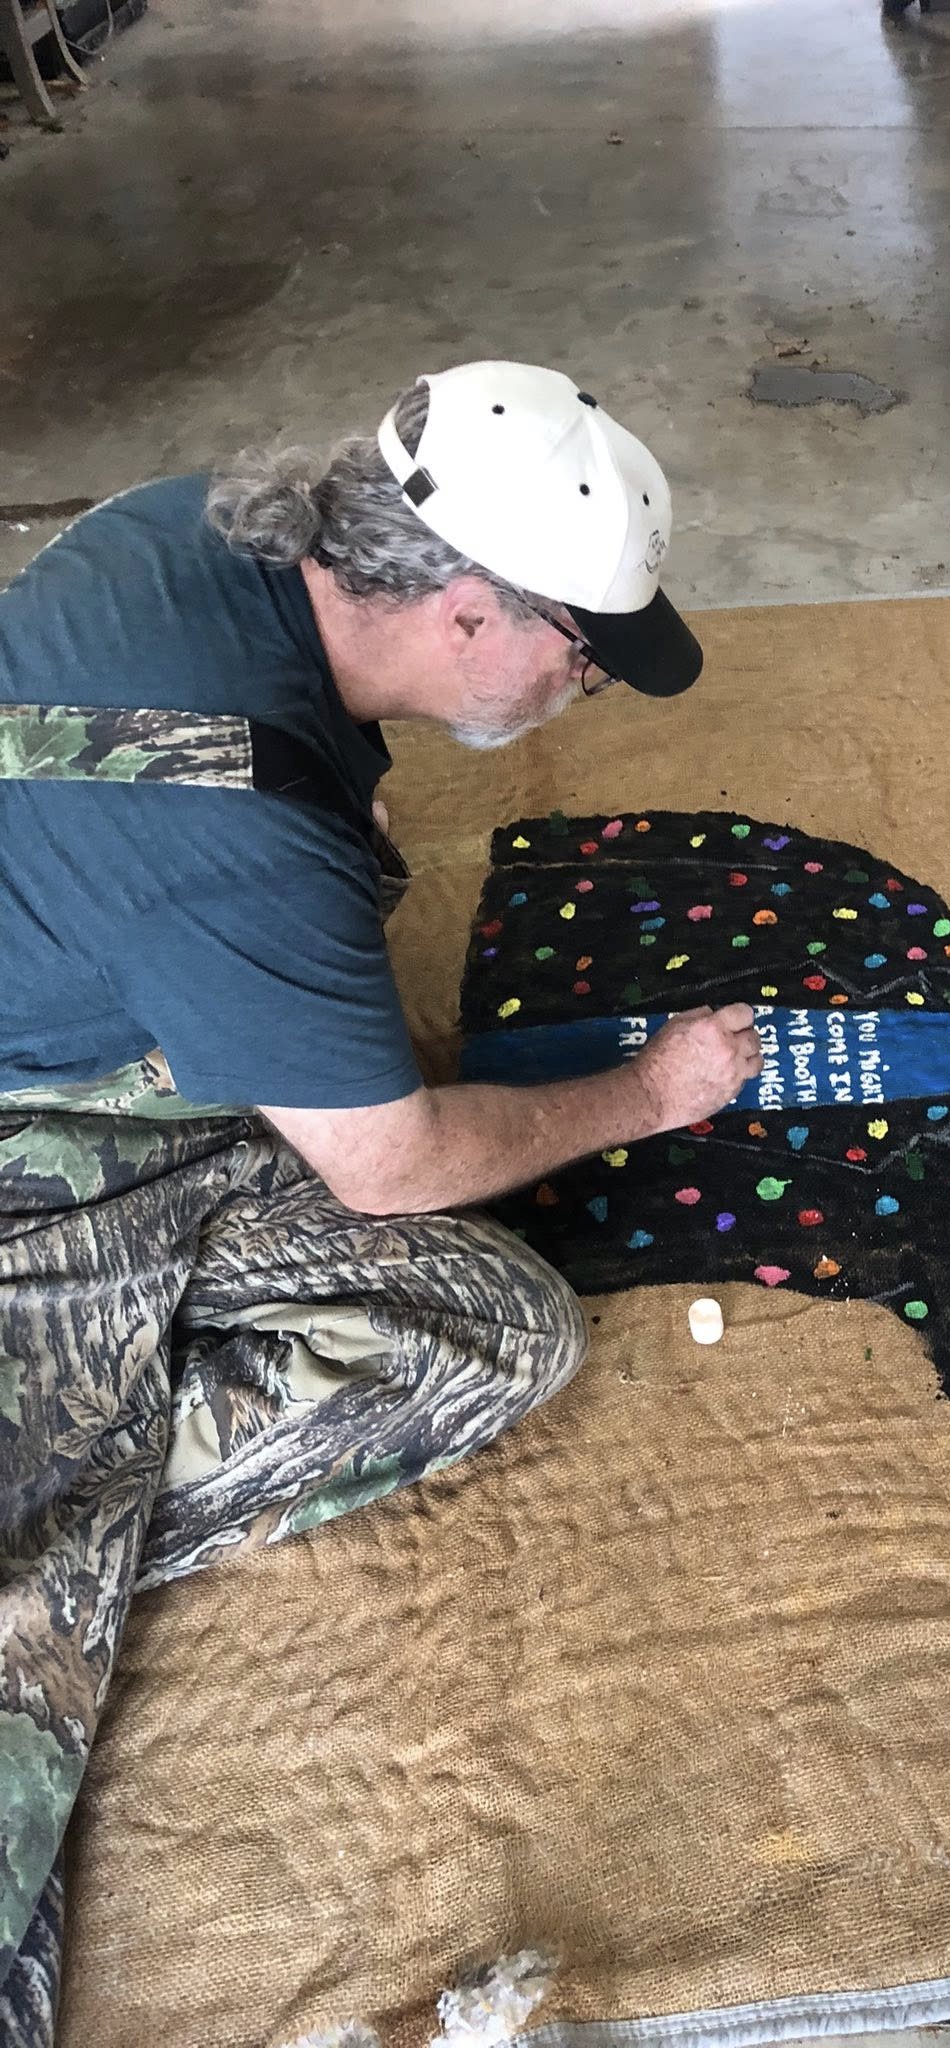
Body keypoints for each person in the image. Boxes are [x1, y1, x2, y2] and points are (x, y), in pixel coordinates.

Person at [0, 361, 763, 2046]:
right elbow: (390, 1168)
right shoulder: (241, 834)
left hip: (81, 973)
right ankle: (81, 1463)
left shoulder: (185, 526)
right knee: (483, 1331)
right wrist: (652, 1095)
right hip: (34, 1138)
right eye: (581, 648)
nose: (585, 684)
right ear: (474, 610)